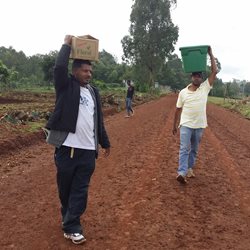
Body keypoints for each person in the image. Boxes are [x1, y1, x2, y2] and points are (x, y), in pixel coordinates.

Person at [45, 35, 111, 244]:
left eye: (91, 71)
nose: (89, 74)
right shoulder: (66, 87)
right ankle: (68, 217)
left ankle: (72, 225)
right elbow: (58, 68)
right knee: (65, 189)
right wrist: (66, 45)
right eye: (85, 70)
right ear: (75, 72)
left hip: (87, 151)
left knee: (80, 189)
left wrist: (104, 142)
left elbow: (98, 120)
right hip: (67, 149)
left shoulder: (93, 92)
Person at [172, 46, 217, 184]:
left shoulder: (204, 88)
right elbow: (177, 110)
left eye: (199, 76)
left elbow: (214, 71)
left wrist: (210, 54)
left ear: (201, 78)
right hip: (185, 125)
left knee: (194, 150)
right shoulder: (183, 92)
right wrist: (174, 125)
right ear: (191, 77)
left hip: (199, 126)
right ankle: (181, 172)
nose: (197, 78)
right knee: (184, 148)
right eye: (195, 75)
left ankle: (189, 168)